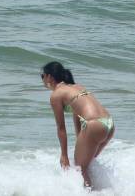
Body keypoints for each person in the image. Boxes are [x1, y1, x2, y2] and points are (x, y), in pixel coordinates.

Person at [40, 61, 114, 189]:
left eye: (42, 76)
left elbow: (61, 129)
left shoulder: (56, 95)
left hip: (94, 125)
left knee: (80, 169)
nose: (42, 80)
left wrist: (64, 155)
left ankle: (89, 192)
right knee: (86, 165)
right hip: (109, 124)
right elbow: (78, 117)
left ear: (50, 77)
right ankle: (99, 191)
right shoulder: (76, 87)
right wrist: (81, 141)